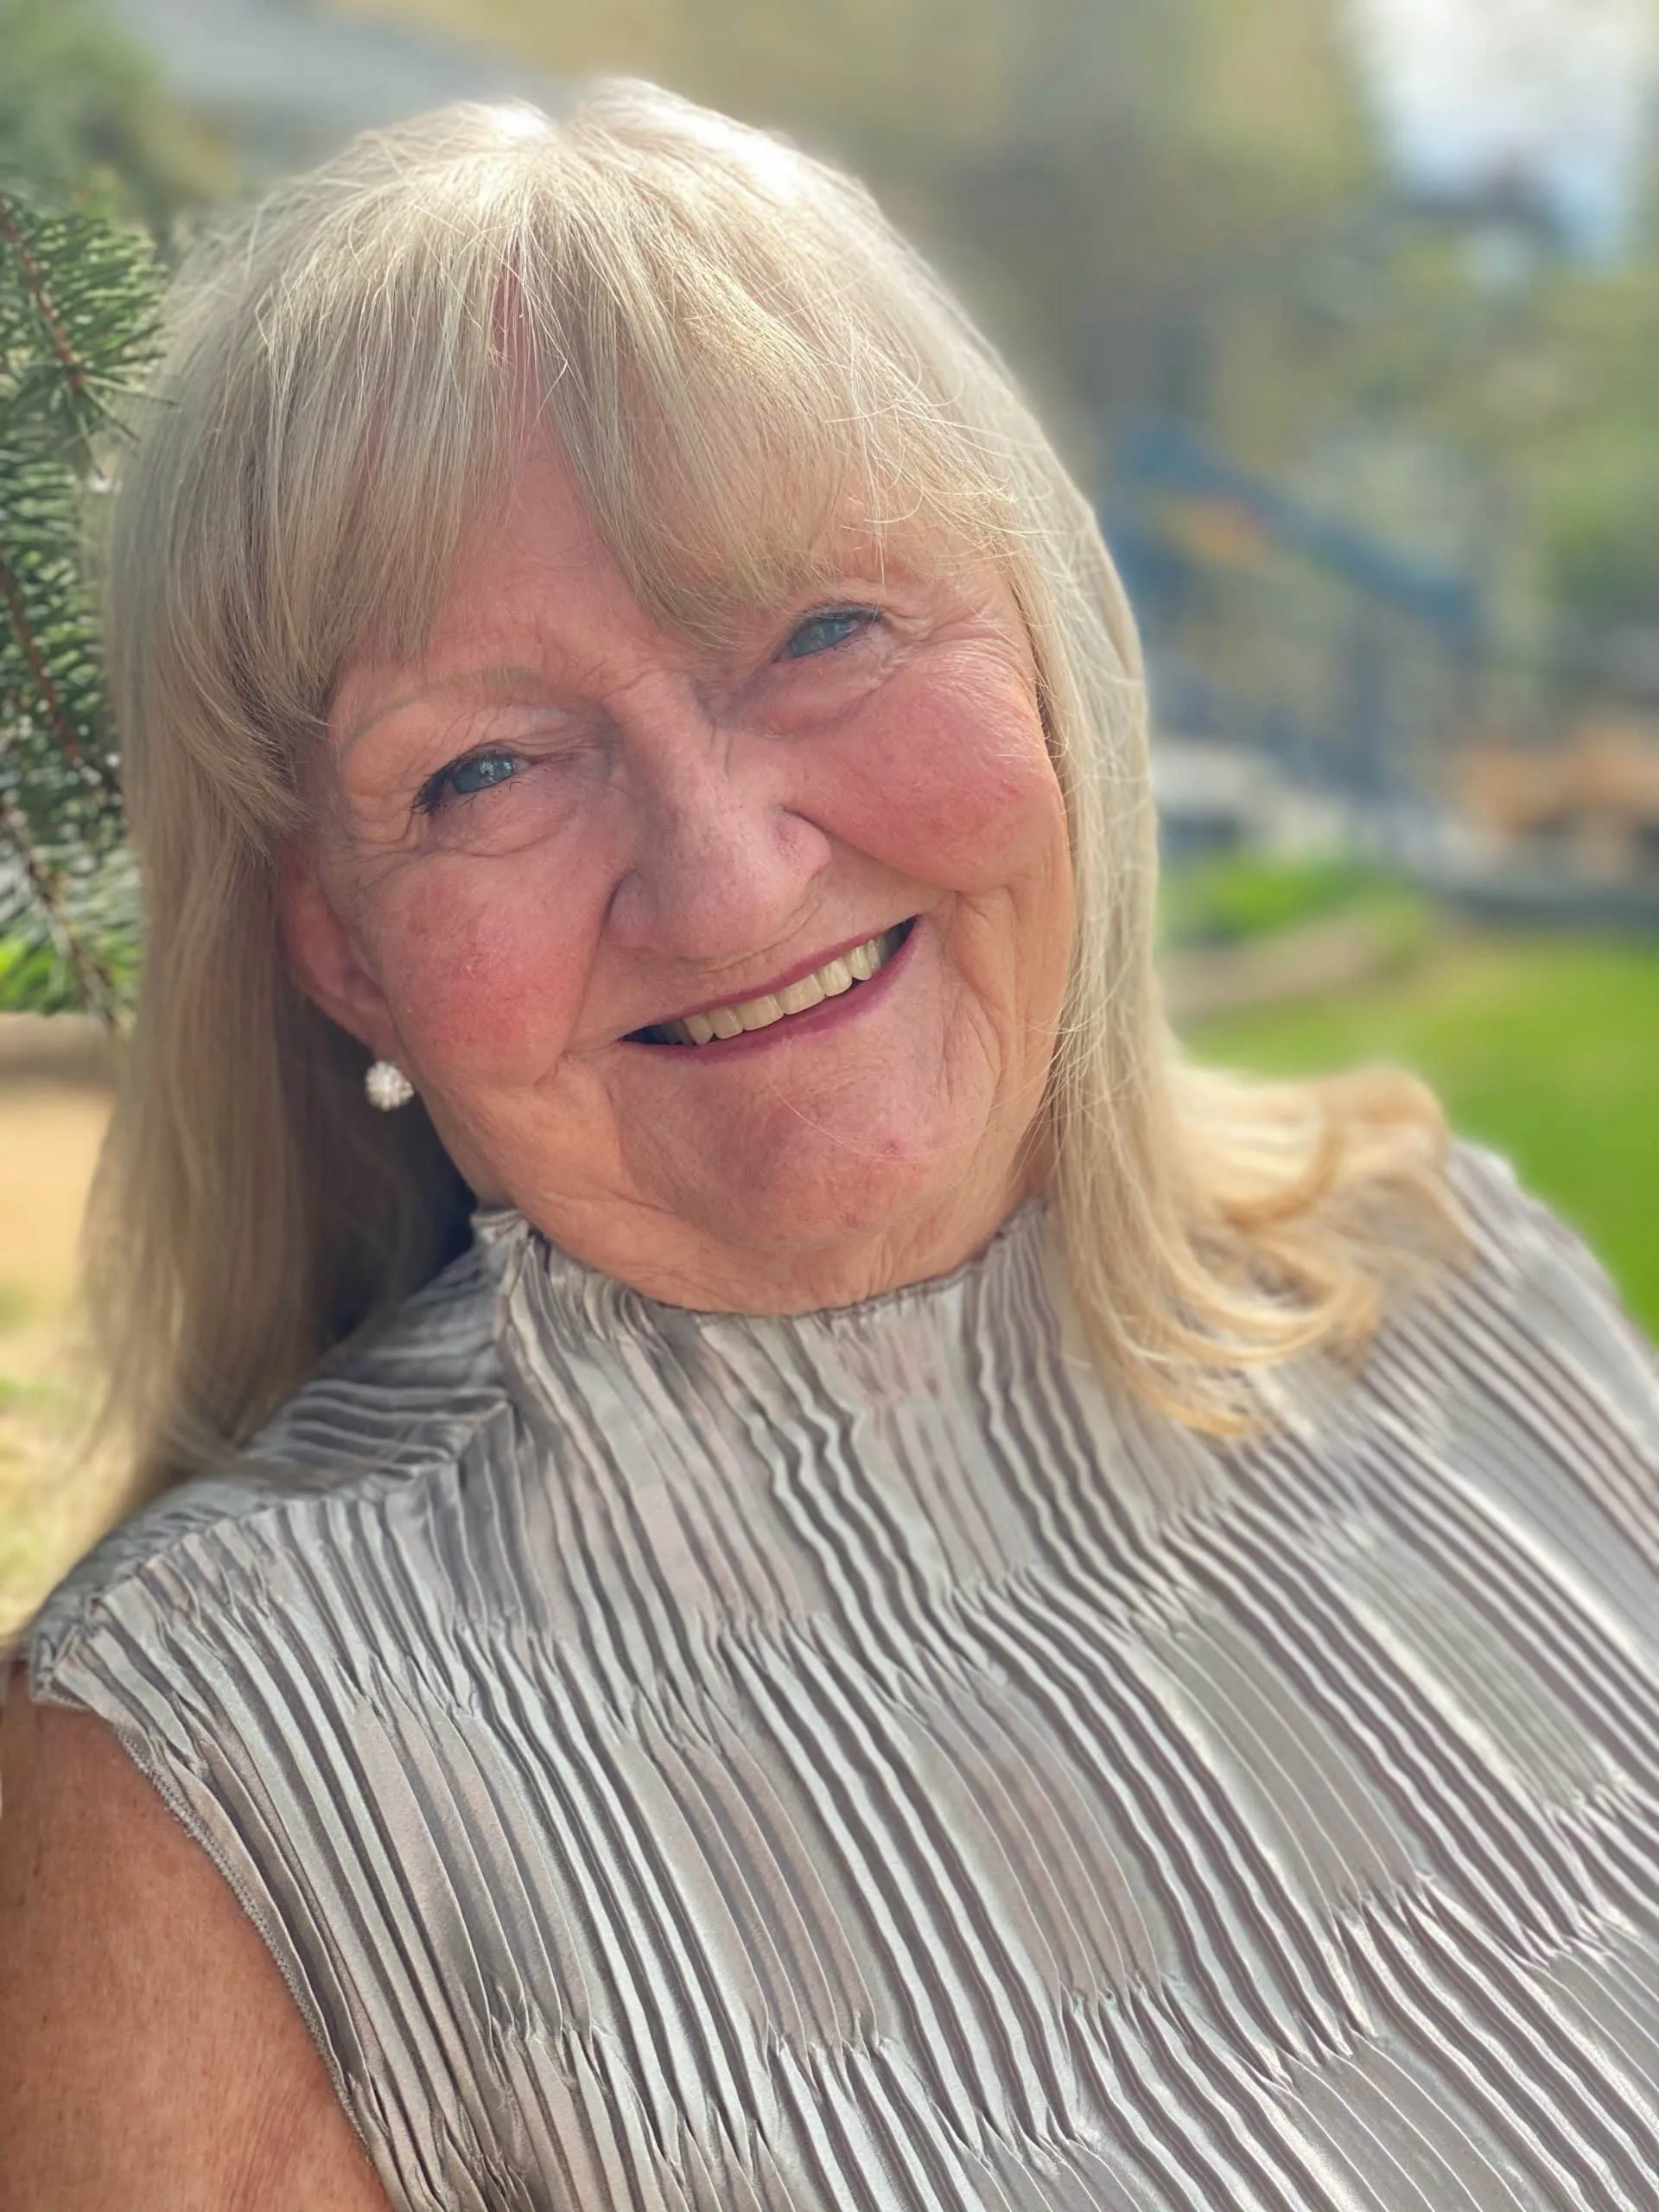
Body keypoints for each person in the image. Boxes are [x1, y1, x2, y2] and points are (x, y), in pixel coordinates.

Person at [2, 83, 1656, 2212]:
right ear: (341, 952)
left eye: (825, 629)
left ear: (1056, 661)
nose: (722, 880)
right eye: (487, 763)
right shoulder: (204, 1783)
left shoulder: (1449, 1273)